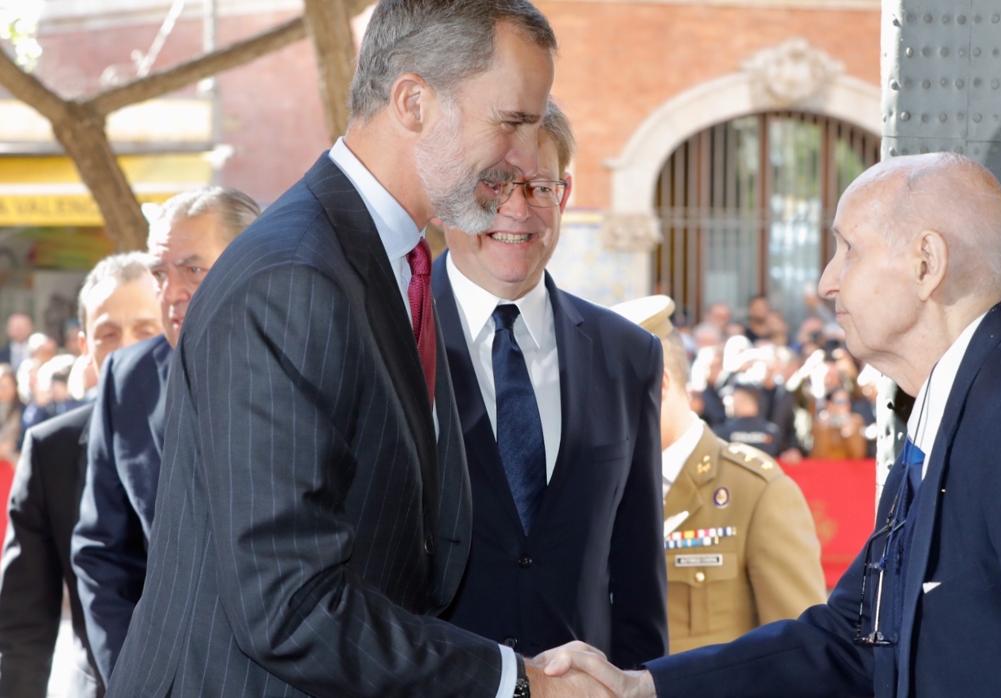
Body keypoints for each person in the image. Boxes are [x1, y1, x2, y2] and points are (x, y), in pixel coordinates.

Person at [534, 152, 1001, 697]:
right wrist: (643, 687)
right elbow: (853, 637)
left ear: (926, 264)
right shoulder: (961, 408)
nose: (826, 282)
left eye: (847, 249)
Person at [104, 3, 600, 696]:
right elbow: (288, 604)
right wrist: (514, 682)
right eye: (512, 121)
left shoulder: (381, 261)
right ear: (414, 102)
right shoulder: (295, 278)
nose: (524, 155)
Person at [433, 102, 666, 667]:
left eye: (538, 186)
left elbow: (637, 574)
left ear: (563, 197)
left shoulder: (628, 354)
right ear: (445, 200)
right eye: (493, 183)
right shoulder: (386, 334)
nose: (517, 208)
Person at [70, 186, 259, 684]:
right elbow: (102, 553)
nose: (170, 292)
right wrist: (131, 676)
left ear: (253, 262)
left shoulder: (311, 367)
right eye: (160, 273)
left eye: (192, 270)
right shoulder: (126, 379)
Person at [614, 294, 825, 654]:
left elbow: (799, 658)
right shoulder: (594, 484)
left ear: (657, 384)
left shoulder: (754, 491)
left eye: (607, 390)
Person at [0, 253, 162, 698]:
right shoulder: (50, 448)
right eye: (108, 333)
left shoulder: (220, 434)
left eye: (146, 330)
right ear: (85, 346)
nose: (128, 347)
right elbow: (24, 623)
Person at [713, 383, 782, 457]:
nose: (726, 402)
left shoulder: (721, 433)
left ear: (742, 399)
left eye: (731, 397)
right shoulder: (772, 432)